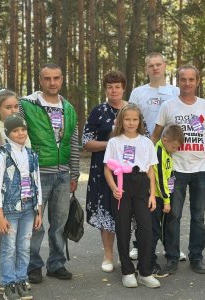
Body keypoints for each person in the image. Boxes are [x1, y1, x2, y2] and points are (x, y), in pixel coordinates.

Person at [19, 63, 80, 283]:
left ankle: (56, 264)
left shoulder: (68, 108)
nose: (52, 83)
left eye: (56, 78)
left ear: (62, 79)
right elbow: (18, 136)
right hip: (37, 173)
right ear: (40, 80)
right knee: (35, 223)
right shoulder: (26, 105)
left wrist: (74, 174)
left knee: (59, 223)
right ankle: (33, 266)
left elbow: (73, 141)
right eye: (47, 78)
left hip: (63, 174)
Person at [151, 65, 205, 275]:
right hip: (174, 171)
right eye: (183, 79)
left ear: (198, 82)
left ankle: (196, 257)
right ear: (178, 81)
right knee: (173, 215)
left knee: (198, 216)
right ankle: (172, 256)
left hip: (201, 170)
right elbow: (156, 136)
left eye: (191, 79)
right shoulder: (168, 106)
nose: (187, 83)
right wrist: (151, 165)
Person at [129, 52, 184, 261]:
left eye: (158, 64)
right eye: (150, 65)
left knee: (170, 201)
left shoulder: (175, 91)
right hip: (144, 153)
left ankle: (172, 246)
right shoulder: (138, 92)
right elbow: (131, 118)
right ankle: (138, 243)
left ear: (165, 66)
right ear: (146, 69)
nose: (155, 68)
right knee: (143, 201)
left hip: (170, 153)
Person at [103, 104, 160, 288]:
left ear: (140, 121)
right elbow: (107, 169)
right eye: (127, 119)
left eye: (135, 119)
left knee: (146, 228)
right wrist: (114, 188)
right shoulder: (114, 142)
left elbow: (151, 169)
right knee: (122, 228)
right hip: (122, 186)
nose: (131, 123)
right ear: (121, 121)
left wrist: (152, 194)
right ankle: (127, 271)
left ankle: (145, 272)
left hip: (141, 186)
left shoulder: (146, 142)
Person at [0, 89, 32, 295]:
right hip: (2, 196)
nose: (13, 110)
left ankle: (17, 278)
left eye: (16, 106)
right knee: (2, 242)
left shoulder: (22, 130)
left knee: (19, 243)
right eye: (8, 107)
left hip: (25, 200)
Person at [82, 70, 128, 273]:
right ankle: (108, 255)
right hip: (103, 170)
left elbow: (142, 138)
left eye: (117, 86)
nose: (114, 90)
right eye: (110, 86)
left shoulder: (133, 110)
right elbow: (86, 142)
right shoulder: (98, 111)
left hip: (129, 170)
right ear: (105, 89)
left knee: (128, 212)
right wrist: (110, 144)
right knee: (106, 212)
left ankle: (126, 254)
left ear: (124, 88)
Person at [0, 113, 43, 300]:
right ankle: (9, 283)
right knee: (9, 248)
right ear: (7, 133)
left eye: (23, 129)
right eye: (15, 130)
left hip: (29, 208)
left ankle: (22, 279)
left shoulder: (32, 154)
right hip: (10, 211)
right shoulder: (3, 155)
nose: (20, 133)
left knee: (24, 246)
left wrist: (39, 210)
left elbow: (36, 183)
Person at [151, 125, 184, 278]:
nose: (175, 150)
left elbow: (169, 175)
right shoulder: (159, 152)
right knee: (153, 231)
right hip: (157, 198)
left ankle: (153, 259)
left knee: (159, 229)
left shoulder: (166, 151)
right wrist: (166, 200)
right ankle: (149, 262)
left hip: (163, 196)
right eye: (174, 147)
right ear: (165, 140)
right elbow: (160, 179)